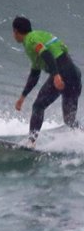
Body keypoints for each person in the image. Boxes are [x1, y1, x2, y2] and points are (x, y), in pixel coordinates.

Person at [12, 16, 82, 145]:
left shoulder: (30, 40)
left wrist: (56, 75)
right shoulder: (39, 36)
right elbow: (35, 73)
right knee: (69, 120)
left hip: (62, 73)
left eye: (13, 32)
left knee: (38, 106)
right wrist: (23, 97)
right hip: (75, 76)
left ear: (16, 31)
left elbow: (46, 54)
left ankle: (31, 142)